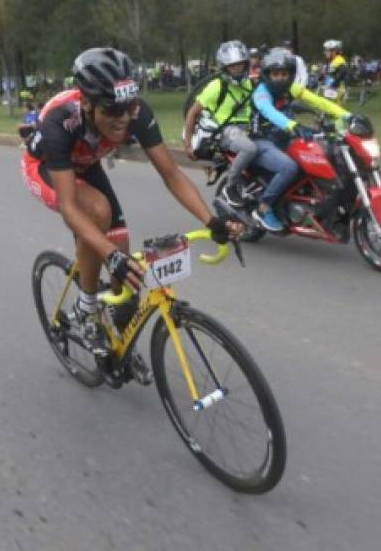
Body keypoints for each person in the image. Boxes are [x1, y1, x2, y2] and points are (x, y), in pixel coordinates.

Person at [21, 48, 239, 362]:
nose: (123, 117)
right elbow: (70, 207)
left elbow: (171, 173)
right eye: (112, 110)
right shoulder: (60, 121)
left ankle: (119, 346)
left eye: (129, 106)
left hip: (87, 162)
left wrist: (212, 221)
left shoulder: (135, 112)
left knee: (122, 252)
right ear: (86, 103)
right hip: (45, 168)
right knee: (95, 215)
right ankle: (86, 309)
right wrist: (108, 256)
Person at [249, 47, 350, 233]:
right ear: (267, 74)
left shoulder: (290, 88)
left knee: (317, 156)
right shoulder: (261, 91)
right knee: (289, 167)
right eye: (276, 74)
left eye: (284, 74)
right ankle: (263, 208)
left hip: (285, 139)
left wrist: (346, 115)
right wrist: (293, 126)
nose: (280, 78)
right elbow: (268, 111)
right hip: (262, 141)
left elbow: (318, 101)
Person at [182, 40, 256, 206]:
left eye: (240, 65)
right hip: (227, 131)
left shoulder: (250, 83)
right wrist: (187, 144)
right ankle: (230, 187)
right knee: (249, 149)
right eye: (232, 66)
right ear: (224, 67)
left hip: (249, 129)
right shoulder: (216, 86)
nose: (237, 69)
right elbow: (192, 114)